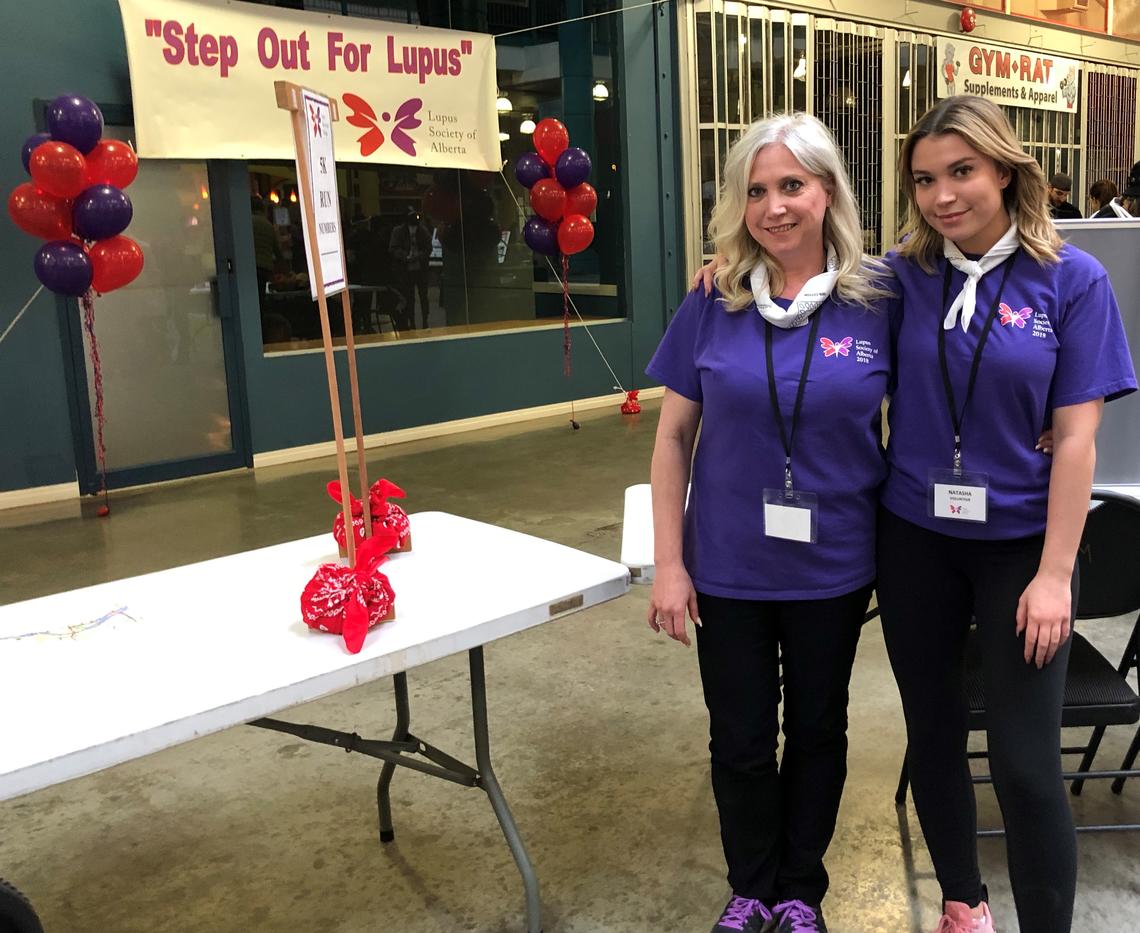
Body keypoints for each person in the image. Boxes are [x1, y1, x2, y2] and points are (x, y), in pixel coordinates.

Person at [879, 95, 1136, 933]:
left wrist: (1056, 574)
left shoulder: (1073, 279)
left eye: (962, 172)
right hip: (915, 539)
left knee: (1027, 766)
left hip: (1021, 548)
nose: (943, 195)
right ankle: (965, 903)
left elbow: (1077, 441)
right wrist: (724, 267)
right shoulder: (901, 276)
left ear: (1004, 171)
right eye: (924, 179)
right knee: (935, 736)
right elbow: (800, 300)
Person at [647, 113, 895, 933]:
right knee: (742, 739)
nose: (774, 206)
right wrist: (670, 562)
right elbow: (673, 438)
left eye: (792, 185)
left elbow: (965, 386)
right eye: (757, 190)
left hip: (833, 569)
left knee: (818, 731)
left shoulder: (881, 299)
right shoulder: (713, 299)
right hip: (728, 567)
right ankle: (750, 885)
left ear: (828, 191)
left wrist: (1041, 420)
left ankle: (799, 891)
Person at [389, 206, 433, 329]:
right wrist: (405, 257)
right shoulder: (398, 231)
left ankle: (425, 320)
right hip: (405, 270)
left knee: (423, 296)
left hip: (420, 269)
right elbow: (393, 248)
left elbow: (428, 247)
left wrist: (419, 256)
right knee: (410, 297)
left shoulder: (422, 230)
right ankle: (411, 321)